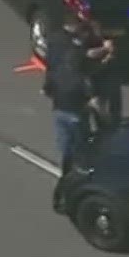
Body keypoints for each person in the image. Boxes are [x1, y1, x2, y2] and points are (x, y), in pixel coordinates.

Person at [42, 17, 99, 173]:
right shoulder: (75, 54)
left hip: (59, 103)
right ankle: (83, 167)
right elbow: (87, 58)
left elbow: (50, 69)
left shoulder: (55, 43)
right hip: (74, 106)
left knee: (65, 142)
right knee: (81, 139)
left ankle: (66, 169)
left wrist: (47, 88)